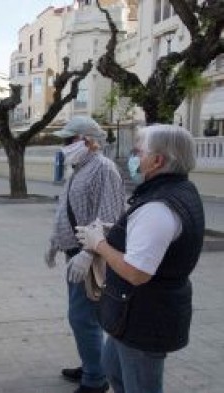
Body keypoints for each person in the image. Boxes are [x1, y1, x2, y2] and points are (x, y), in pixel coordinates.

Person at [75, 125, 204, 393]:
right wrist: (113, 233)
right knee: (114, 371)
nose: (133, 158)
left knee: (140, 386)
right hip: (133, 314)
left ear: (157, 160)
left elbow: (137, 272)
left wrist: (97, 244)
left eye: (138, 152)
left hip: (145, 316)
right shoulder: (176, 191)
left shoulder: (159, 206)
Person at [45, 116, 125, 393]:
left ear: (90, 141)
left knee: (83, 317)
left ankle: (95, 378)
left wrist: (88, 253)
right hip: (74, 253)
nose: (66, 145)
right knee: (81, 316)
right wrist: (55, 242)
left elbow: (110, 218)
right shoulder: (78, 168)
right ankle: (93, 364)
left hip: (90, 256)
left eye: (70, 140)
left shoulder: (104, 169)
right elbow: (67, 210)